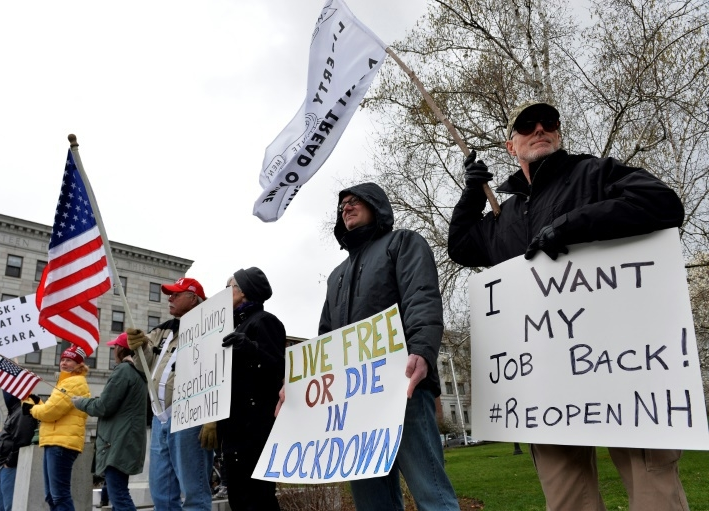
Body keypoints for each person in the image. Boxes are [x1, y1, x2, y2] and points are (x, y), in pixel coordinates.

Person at [447, 101, 687, 511]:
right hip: (547, 383)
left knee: (654, 489)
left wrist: (572, 225)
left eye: (549, 123)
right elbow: (461, 246)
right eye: (527, 125)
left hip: (623, 366)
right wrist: (471, 194)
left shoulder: (592, 173)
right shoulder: (503, 216)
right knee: (566, 496)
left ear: (558, 134)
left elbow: (663, 204)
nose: (540, 128)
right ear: (511, 146)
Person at [305, 183, 461, 510]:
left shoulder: (403, 243)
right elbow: (325, 339)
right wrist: (302, 387)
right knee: (372, 503)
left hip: (402, 388)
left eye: (354, 201)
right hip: (354, 404)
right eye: (341, 205)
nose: (345, 207)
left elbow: (421, 298)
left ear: (376, 205)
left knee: (431, 493)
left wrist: (421, 350)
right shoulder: (336, 276)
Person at [200, 268, 285, 511]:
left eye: (230, 287)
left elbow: (278, 366)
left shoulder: (264, 321)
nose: (225, 293)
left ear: (244, 291)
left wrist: (250, 348)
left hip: (254, 427)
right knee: (239, 496)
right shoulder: (233, 326)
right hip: (235, 425)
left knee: (258, 497)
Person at [126, 277, 214, 511]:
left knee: (194, 491)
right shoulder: (163, 329)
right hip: (160, 416)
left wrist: (212, 417)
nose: (170, 298)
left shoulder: (214, 324)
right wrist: (139, 347)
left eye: (176, 294)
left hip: (190, 415)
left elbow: (218, 371)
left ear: (193, 298)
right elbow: (144, 366)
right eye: (169, 294)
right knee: (161, 493)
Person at [71, 332, 148, 511]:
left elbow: (103, 406)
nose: (113, 350)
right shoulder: (137, 372)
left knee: (119, 495)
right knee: (118, 494)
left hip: (117, 441)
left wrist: (80, 402)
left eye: (115, 346)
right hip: (125, 440)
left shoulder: (123, 370)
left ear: (120, 349)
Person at [24, 345, 91, 511]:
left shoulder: (74, 382)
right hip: (55, 441)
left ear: (79, 365)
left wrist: (32, 409)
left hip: (62, 443)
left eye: (69, 360)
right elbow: (53, 410)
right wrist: (37, 402)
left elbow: (50, 413)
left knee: (59, 495)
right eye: (62, 359)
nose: (64, 363)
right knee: (52, 496)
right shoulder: (66, 382)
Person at [0, 389, 39, 511]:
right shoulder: (14, 411)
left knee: (10, 505)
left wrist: (9, 462)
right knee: (3, 506)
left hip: (10, 466)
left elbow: (22, 439)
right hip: (2, 465)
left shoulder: (22, 411)